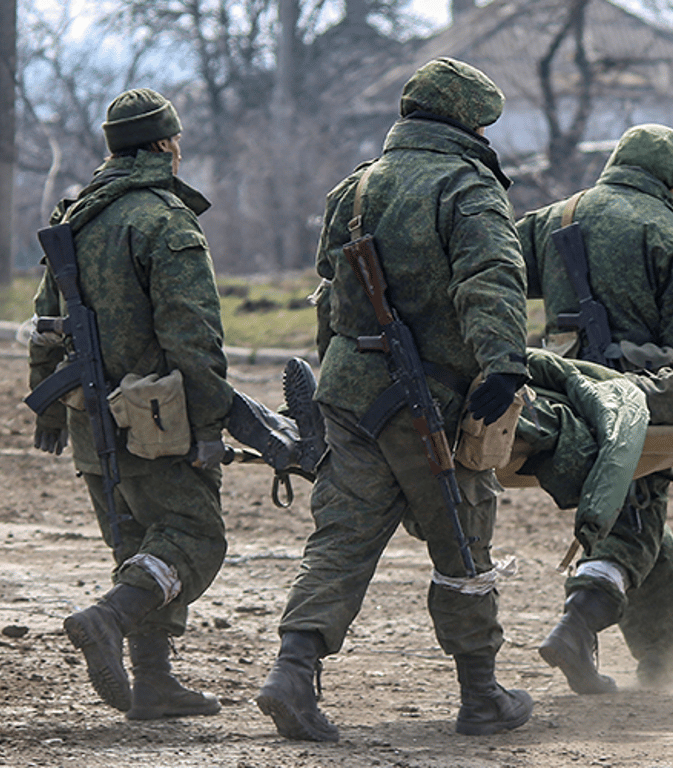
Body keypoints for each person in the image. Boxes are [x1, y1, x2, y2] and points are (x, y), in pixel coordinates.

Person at [254, 57, 532, 741]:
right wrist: (504, 364)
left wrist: (332, 383)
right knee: (463, 541)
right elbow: (490, 277)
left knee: (341, 538)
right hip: (428, 399)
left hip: (348, 392)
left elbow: (329, 292)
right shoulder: (466, 187)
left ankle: (293, 673)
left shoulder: (351, 190)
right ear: (468, 122)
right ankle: (481, 695)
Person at [28, 88, 232, 720]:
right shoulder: (164, 220)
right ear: (168, 145)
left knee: (138, 543)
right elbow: (193, 335)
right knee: (195, 537)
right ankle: (108, 619)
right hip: (156, 420)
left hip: (88, 415)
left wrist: (48, 408)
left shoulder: (76, 214)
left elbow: (45, 320)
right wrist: (209, 425)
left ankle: (153, 680)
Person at [515, 124, 673, 693]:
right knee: (637, 513)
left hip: (560, 394)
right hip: (635, 404)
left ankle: (667, 663)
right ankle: (579, 620)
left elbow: (496, 277)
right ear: (671, 180)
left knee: (641, 517)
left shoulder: (555, 219)